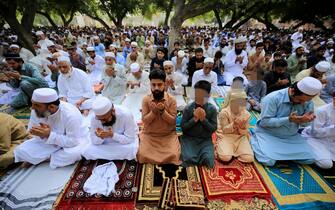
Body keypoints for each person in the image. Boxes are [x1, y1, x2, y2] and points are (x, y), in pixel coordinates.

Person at [251, 77, 323, 166]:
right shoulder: (272, 98)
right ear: (292, 91)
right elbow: (265, 122)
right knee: (268, 161)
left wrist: (306, 120)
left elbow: (305, 124)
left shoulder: (307, 102)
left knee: (310, 159)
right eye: (300, 100)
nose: (303, 103)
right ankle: (255, 138)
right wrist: (288, 119)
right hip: (269, 134)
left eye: (306, 101)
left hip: (291, 136)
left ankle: (282, 153)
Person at [14, 88, 89, 169]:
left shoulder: (71, 115)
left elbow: (73, 141)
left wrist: (49, 135)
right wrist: (41, 134)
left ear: (52, 107)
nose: (32, 108)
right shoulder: (36, 111)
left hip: (74, 140)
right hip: (49, 142)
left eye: (36, 105)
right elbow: (32, 132)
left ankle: (44, 158)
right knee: (20, 150)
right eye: (32, 103)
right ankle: (43, 157)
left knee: (76, 153)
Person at [137, 70, 181, 165]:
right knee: (142, 155)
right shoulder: (146, 100)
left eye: (159, 85)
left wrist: (162, 112)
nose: (156, 88)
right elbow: (145, 121)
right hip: (150, 135)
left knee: (174, 155)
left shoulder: (172, 100)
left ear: (164, 84)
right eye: (153, 85)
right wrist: (153, 112)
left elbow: (173, 122)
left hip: (167, 135)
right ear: (150, 85)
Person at [82, 96, 139, 160]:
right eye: (100, 119)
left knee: (131, 149)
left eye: (104, 119)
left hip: (122, 143)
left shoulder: (125, 114)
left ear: (113, 111)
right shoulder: (95, 118)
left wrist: (112, 135)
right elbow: (93, 141)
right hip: (106, 143)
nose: (102, 122)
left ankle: (106, 156)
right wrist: (101, 137)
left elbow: (130, 139)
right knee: (87, 150)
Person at [180, 80, 217, 168]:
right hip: (189, 139)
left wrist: (204, 120)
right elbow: (183, 127)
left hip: (205, 140)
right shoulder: (188, 108)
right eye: (197, 94)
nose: (199, 97)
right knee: (188, 159)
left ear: (208, 95)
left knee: (209, 161)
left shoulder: (212, 109)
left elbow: (213, 128)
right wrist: (194, 119)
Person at [216, 90, 254, 163]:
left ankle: (233, 151)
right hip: (226, 136)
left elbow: (245, 131)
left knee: (249, 158)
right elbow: (224, 130)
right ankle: (224, 148)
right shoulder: (224, 112)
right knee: (225, 158)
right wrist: (234, 124)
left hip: (240, 137)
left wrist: (241, 127)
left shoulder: (246, 114)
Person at [302, 94, 335, 169]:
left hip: (332, 141)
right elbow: (316, 133)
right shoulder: (322, 110)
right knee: (326, 164)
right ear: (334, 99)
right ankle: (304, 149)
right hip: (316, 140)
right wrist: (333, 128)